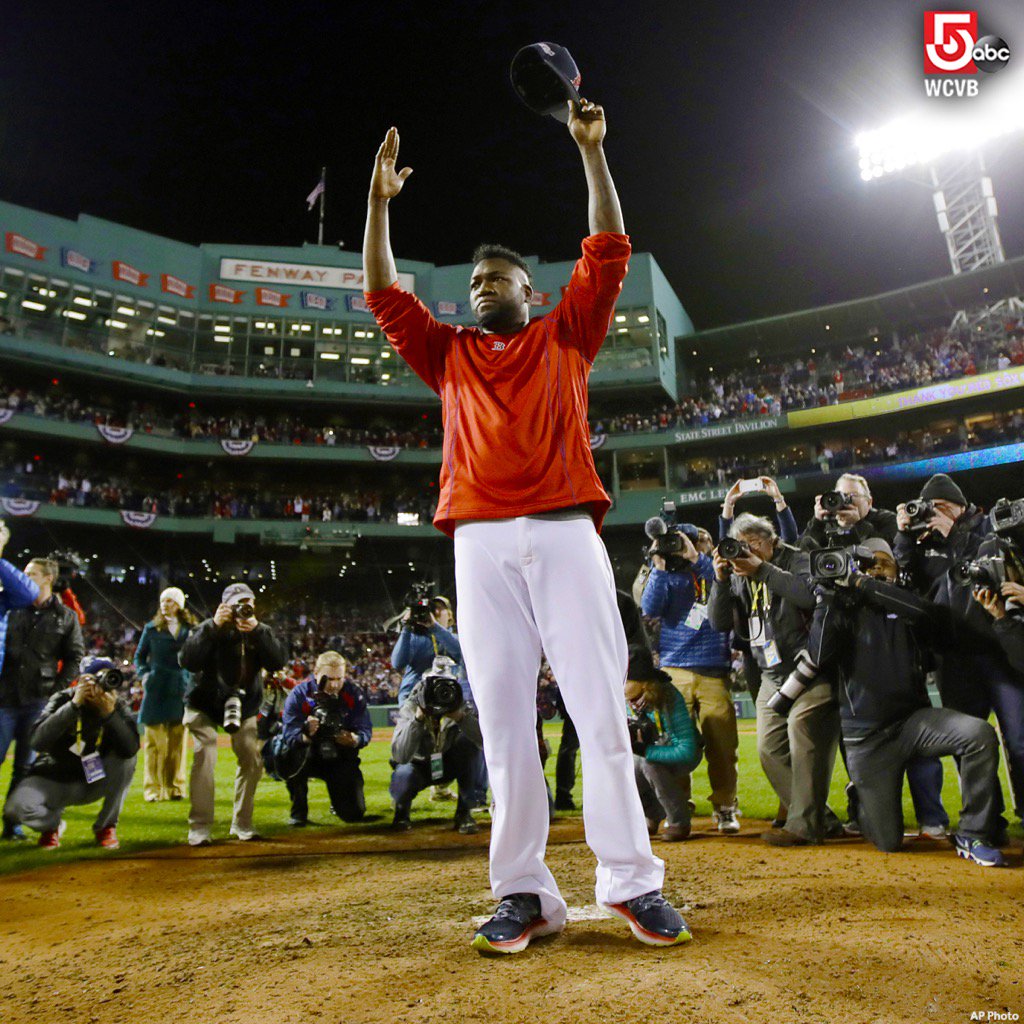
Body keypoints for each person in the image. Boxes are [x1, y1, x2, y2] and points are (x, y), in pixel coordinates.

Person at [363, 97, 689, 951]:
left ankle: (631, 881)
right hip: (477, 543)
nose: (480, 290)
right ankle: (522, 894)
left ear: (529, 293)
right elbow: (382, 292)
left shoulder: (567, 334)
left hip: (561, 531)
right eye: (474, 284)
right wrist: (378, 207)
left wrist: (591, 152)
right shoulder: (448, 355)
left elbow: (608, 246)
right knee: (504, 720)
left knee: (596, 710)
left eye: (495, 281)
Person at [799, 541, 1004, 866]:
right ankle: (862, 798)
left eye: (884, 563)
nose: (876, 570)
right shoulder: (843, 609)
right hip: (867, 739)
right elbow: (821, 655)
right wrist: (826, 599)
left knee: (978, 735)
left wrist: (862, 582)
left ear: (897, 568)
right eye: (867, 565)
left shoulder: (906, 606)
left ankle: (972, 832)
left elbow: (931, 616)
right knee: (888, 841)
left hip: (914, 723)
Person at [897, 475, 1024, 827]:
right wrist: (905, 536)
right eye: (928, 508)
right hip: (953, 659)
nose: (931, 514)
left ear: (957, 506)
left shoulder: (987, 529)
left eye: (938, 507)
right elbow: (902, 579)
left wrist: (953, 536)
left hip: (998, 652)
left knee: (1020, 740)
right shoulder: (922, 541)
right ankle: (987, 822)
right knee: (967, 744)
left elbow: (981, 568)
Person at [708, 513, 841, 846]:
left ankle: (804, 826)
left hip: (809, 667)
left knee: (802, 733)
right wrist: (721, 581)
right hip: (771, 672)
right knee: (769, 749)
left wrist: (762, 570)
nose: (748, 551)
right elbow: (719, 622)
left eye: (755, 544)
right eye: (742, 545)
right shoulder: (738, 574)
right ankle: (819, 817)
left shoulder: (796, 558)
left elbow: (809, 597)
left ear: (771, 541)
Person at [641, 522, 739, 833]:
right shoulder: (667, 576)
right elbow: (649, 608)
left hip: (713, 668)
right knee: (674, 742)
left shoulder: (715, 569)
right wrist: (659, 566)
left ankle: (724, 806)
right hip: (674, 670)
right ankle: (678, 802)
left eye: (694, 542)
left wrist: (697, 558)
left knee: (722, 744)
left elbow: (726, 586)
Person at [178, 583, 288, 845]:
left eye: (247, 603)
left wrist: (259, 632)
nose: (243, 609)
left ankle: (242, 824)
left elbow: (277, 662)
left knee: (251, 759)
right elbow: (188, 661)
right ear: (225, 606)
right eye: (237, 604)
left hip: (244, 703)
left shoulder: (259, 631)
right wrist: (212, 628)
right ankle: (200, 827)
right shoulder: (207, 628)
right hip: (204, 703)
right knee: (205, 754)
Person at [4, 657, 139, 850]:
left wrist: (110, 715)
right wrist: (73, 706)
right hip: (56, 778)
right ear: (82, 680)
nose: (102, 685)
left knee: (128, 760)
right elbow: (37, 741)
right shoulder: (63, 699)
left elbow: (130, 749)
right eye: (95, 679)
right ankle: (52, 826)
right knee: (15, 809)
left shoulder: (116, 705)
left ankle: (106, 827)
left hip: (95, 781)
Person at [0, 555, 83, 839]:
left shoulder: (66, 617)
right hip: (4, 697)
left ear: (48, 578)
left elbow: (75, 658)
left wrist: (55, 692)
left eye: (31, 574)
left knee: (25, 766)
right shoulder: (10, 608)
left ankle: (12, 826)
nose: (25, 578)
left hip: (38, 700)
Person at [389, 656, 483, 835]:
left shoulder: (460, 705)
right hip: (418, 766)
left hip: (448, 764)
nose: (440, 693)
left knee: (468, 746)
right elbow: (400, 755)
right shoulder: (410, 707)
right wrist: (418, 719)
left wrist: (461, 717)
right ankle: (401, 813)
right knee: (404, 773)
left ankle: (464, 814)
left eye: (446, 687)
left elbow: (483, 742)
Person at [278, 650, 371, 826]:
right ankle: (298, 811)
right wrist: (305, 734)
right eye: (329, 678)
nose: (335, 685)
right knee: (286, 754)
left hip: (341, 756)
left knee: (354, 814)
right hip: (308, 754)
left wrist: (354, 739)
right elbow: (288, 735)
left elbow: (365, 729)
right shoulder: (299, 694)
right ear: (316, 674)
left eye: (339, 678)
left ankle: (339, 802)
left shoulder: (354, 693)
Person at [625, 646, 701, 841]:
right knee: (630, 762)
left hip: (681, 754)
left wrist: (647, 751)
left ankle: (679, 822)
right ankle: (651, 815)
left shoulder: (668, 698)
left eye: (626, 679)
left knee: (648, 763)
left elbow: (687, 750)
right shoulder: (623, 700)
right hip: (650, 751)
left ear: (643, 683)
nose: (619, 684)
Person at [133, 587, 196, 802]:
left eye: (170, 601)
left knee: (178, 744)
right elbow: (139, 657)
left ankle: (175, 787)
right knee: (153, 743)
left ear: (179, 605)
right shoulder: (151, 629)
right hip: (156, 689)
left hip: (181, 688)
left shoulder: (191, 630)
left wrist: (190, 678)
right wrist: (144, 675)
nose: (165, 604)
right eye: (163, 601)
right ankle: (153, 789)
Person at [799, 472, 898, 551]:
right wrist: (817, 522)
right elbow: (802, 553)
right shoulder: (828, 523)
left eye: (853, 495)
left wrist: (858, 524)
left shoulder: (886, 519)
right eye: (841, 496)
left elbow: (889, 550)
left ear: (869, 502)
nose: (847, 501)